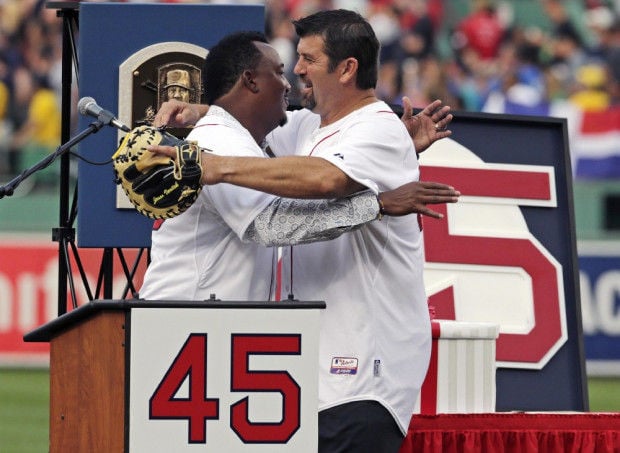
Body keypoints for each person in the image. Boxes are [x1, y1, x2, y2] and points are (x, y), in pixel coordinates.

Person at [148, 11, 456, 452]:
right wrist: (202, 112)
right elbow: (254, 121)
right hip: (312, 373)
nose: (297, 70)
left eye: (309, 58)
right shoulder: (312, 127)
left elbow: (327, 179)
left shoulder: (379, 129)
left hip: (363, 370)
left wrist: (214, 166)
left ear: (347, 68)